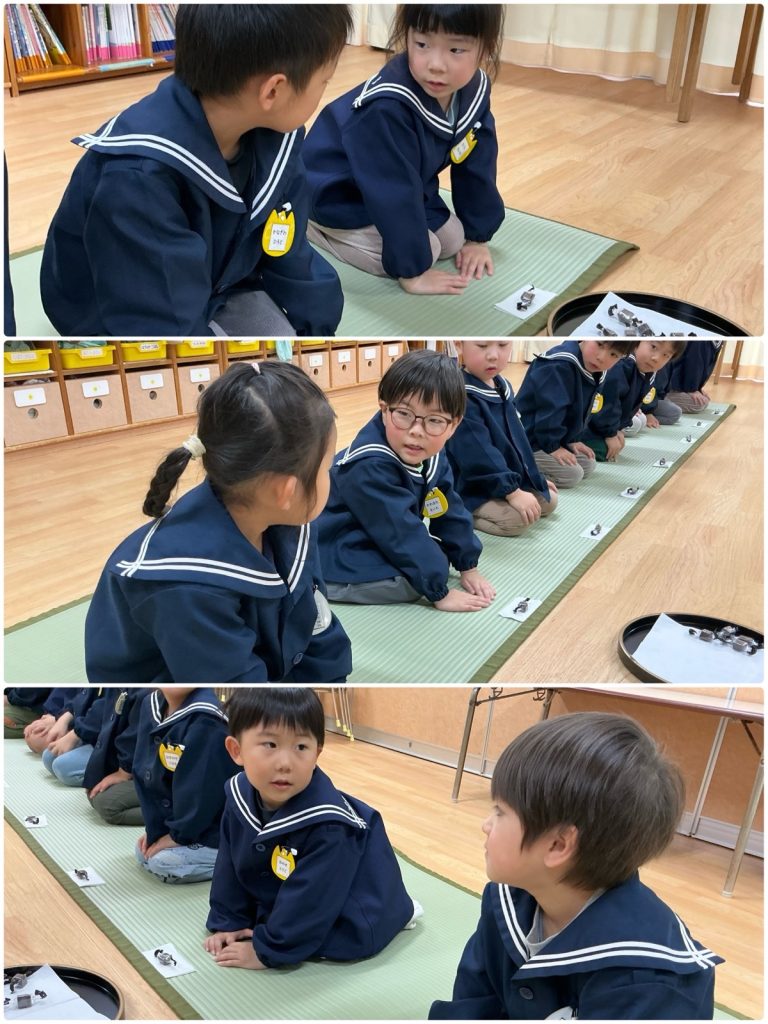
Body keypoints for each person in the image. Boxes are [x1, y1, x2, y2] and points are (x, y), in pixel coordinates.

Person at [40, 5, 351, 336]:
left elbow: (288, 248)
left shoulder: (277, 139)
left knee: (284, 337)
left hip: (215, 279)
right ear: (273, 90)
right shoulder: (137, 176)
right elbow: (159, 324)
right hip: (121, 304)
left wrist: (318, 331)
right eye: (325, 80)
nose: (325, 88)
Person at [430, 712, 723, 1020]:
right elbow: (472, 1005)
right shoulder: (507, 903)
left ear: (558, 845)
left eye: (500, 811)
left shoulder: (650, 980)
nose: (486, 825)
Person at [85, 361, 352, 683]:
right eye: (326, 467)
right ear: (286, 491)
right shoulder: (185, 586)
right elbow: (234, 689)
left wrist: (329, 681)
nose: (330, 476)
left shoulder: (291, 522)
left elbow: (316, 623)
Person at [205, 688, 418, 969]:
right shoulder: (238, 795)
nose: (285, 764)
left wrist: (268, 950)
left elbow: (313, 900)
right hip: (290, 894)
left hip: (350, 908)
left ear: (317, 753)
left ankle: (400, 909)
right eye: (270, 744)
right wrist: (228, 921)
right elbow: (228, 866)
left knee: (336, 939)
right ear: (236, 750)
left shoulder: (330, 826)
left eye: (301, 748)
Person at [304, 5, 505, 295]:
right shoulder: (387, 108)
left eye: (456, 50)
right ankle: (310, 224)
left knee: (454, 239)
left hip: (398, 184)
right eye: (422, 44)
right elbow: (392, 190)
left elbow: (478, 165)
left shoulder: (473, 91)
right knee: (427, 250)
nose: (436, 64)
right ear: (407, 37)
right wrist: (412, 272)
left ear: (485, 49)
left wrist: (478, 237)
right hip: (336, 191)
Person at [317, 350, 495, 612]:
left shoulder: (432, 452)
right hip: (336, 545)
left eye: (434, 420)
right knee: (414, 581)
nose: (416, 431)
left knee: (432, 558)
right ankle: (322, 584)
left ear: (453, 425)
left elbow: (449, 508)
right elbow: (400, 532)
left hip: (373, 531)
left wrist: (468, 565)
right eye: (404, 414)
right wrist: (439, 592)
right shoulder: (369, 466)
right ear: (384, 410)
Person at [446, 339, 558, 536]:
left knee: (549, 501)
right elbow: (479, 454)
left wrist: (533, 477)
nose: (493, 356)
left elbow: (518, 439)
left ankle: (505, 492)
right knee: (516, 522)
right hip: (471, 484)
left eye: (503, 345)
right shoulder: (460, 395)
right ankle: (461, 512)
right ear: (459, 345)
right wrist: (511, 492)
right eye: (482, 346)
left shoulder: (502, 385)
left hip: (502, 475)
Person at [133, 687, 237, 884]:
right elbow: (143, 771)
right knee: (142, 852)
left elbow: (203, 794)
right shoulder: (150, 704)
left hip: (213, 828)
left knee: (162, 863)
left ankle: (234, 860)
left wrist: (177, 836)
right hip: (178, 818)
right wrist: (155, 830)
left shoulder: (208, 720)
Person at [515, 340, 637, 487]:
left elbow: (582, 409)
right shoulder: (559, 365)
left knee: (588, 464)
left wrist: (572, 439)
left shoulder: (595, 368)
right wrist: (553, 447)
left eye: (613, 355)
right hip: (528, 438)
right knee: (571, 475)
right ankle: (515, 468)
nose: (602, 357)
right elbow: (549, 412)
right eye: (599, 345)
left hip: (550, 438)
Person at [581, 340, 686, 461]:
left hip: (601, 424)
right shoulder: (621, 366)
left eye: (665, 355)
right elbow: (607, 405)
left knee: (617, 444)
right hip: (587, 424)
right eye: (653, 347)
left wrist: (617, 430)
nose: (656, 358)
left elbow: (631, 406)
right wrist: (610, 433)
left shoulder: (646, 371)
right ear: (637, 342)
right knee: (603, 451)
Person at [84, 688, 151, 826]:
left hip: (163, 777)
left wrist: (125, 770)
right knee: (95, 793)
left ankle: (179, 819)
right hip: (132, 764)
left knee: (107, 805)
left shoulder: (151, 695)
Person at [40, 688, 106, 787]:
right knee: (49, 757)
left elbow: (108, 707)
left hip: (111, 739)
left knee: (63, 768)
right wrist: (65, 717)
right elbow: (83, 694)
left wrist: (76, 733)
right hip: (89, 727)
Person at [666, 341, 725, 412]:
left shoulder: (715, 342)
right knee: (698, 404)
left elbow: (704, 367)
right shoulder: (700, 342)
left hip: (681, 384)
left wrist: (698, 388)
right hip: (672, 384)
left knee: (703, 401)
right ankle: (660, 398)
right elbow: (692, 363)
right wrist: (692, 389)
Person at [19, 689, 80, 753]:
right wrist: (50, 715)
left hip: (79, 719)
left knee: (48, 752)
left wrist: (58, 719)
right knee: (34, 736)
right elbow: (63, 691)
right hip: (65, 712)